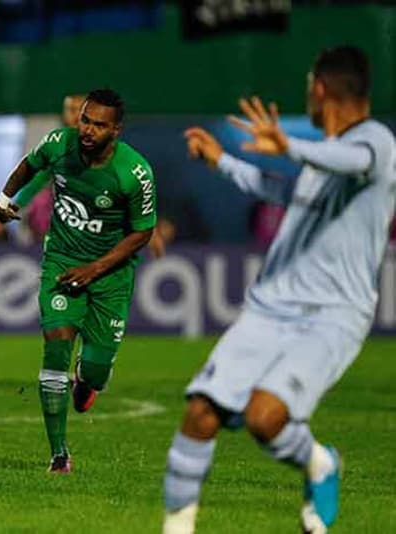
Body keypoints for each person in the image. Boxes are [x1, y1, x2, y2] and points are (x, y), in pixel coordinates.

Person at [164, 46, 396, 534]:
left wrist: (290, 145)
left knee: (264, 418)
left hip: (333, 314)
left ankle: (319, 462)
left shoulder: (375, 141)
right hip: (270, 308)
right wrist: (220, 160)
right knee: (200, 414)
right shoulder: (321, 161)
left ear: (319, 89)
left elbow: (355, 160)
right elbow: (280, 190)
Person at [0, 89, 157, 473]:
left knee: (97, 371)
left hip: (110, 277)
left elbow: (142, 233)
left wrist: (94, 270)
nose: (88, 129)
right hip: (62, 262)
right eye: (85, 119)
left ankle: (88, 378)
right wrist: (4, 198)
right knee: (56, 344)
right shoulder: (59, 143)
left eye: (99, 125)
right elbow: (28, 165)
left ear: (116, 130)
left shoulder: (134, 174)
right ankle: (59, 455)